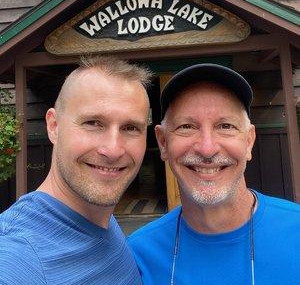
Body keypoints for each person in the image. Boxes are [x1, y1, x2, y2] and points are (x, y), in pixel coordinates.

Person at [128, 63, 300, 285]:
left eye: (226, 126)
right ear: (163, 143)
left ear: (249, 141)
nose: (207, 149)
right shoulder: (138, 257)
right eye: (187, 127)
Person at [0, 55, 151, 284]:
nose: (113, 150)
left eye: (131, 128)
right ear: (54, 126)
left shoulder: (101, 219)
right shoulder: (17, 259)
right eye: (93, 123)